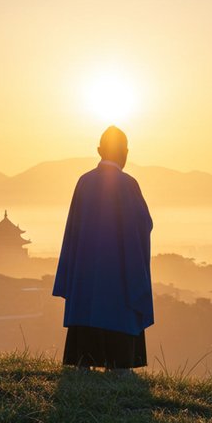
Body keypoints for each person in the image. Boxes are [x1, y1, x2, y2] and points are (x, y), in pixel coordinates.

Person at [53, 126, 154, 371]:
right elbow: (142, 225)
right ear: (126, 152)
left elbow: (72, 230)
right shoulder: (128, 184)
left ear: (99, 150)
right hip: (119, 274)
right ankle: (118, 366)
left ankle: (83, 365)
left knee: (86, 320)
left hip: (85, 275)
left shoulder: (84, 182)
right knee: (118, 316)